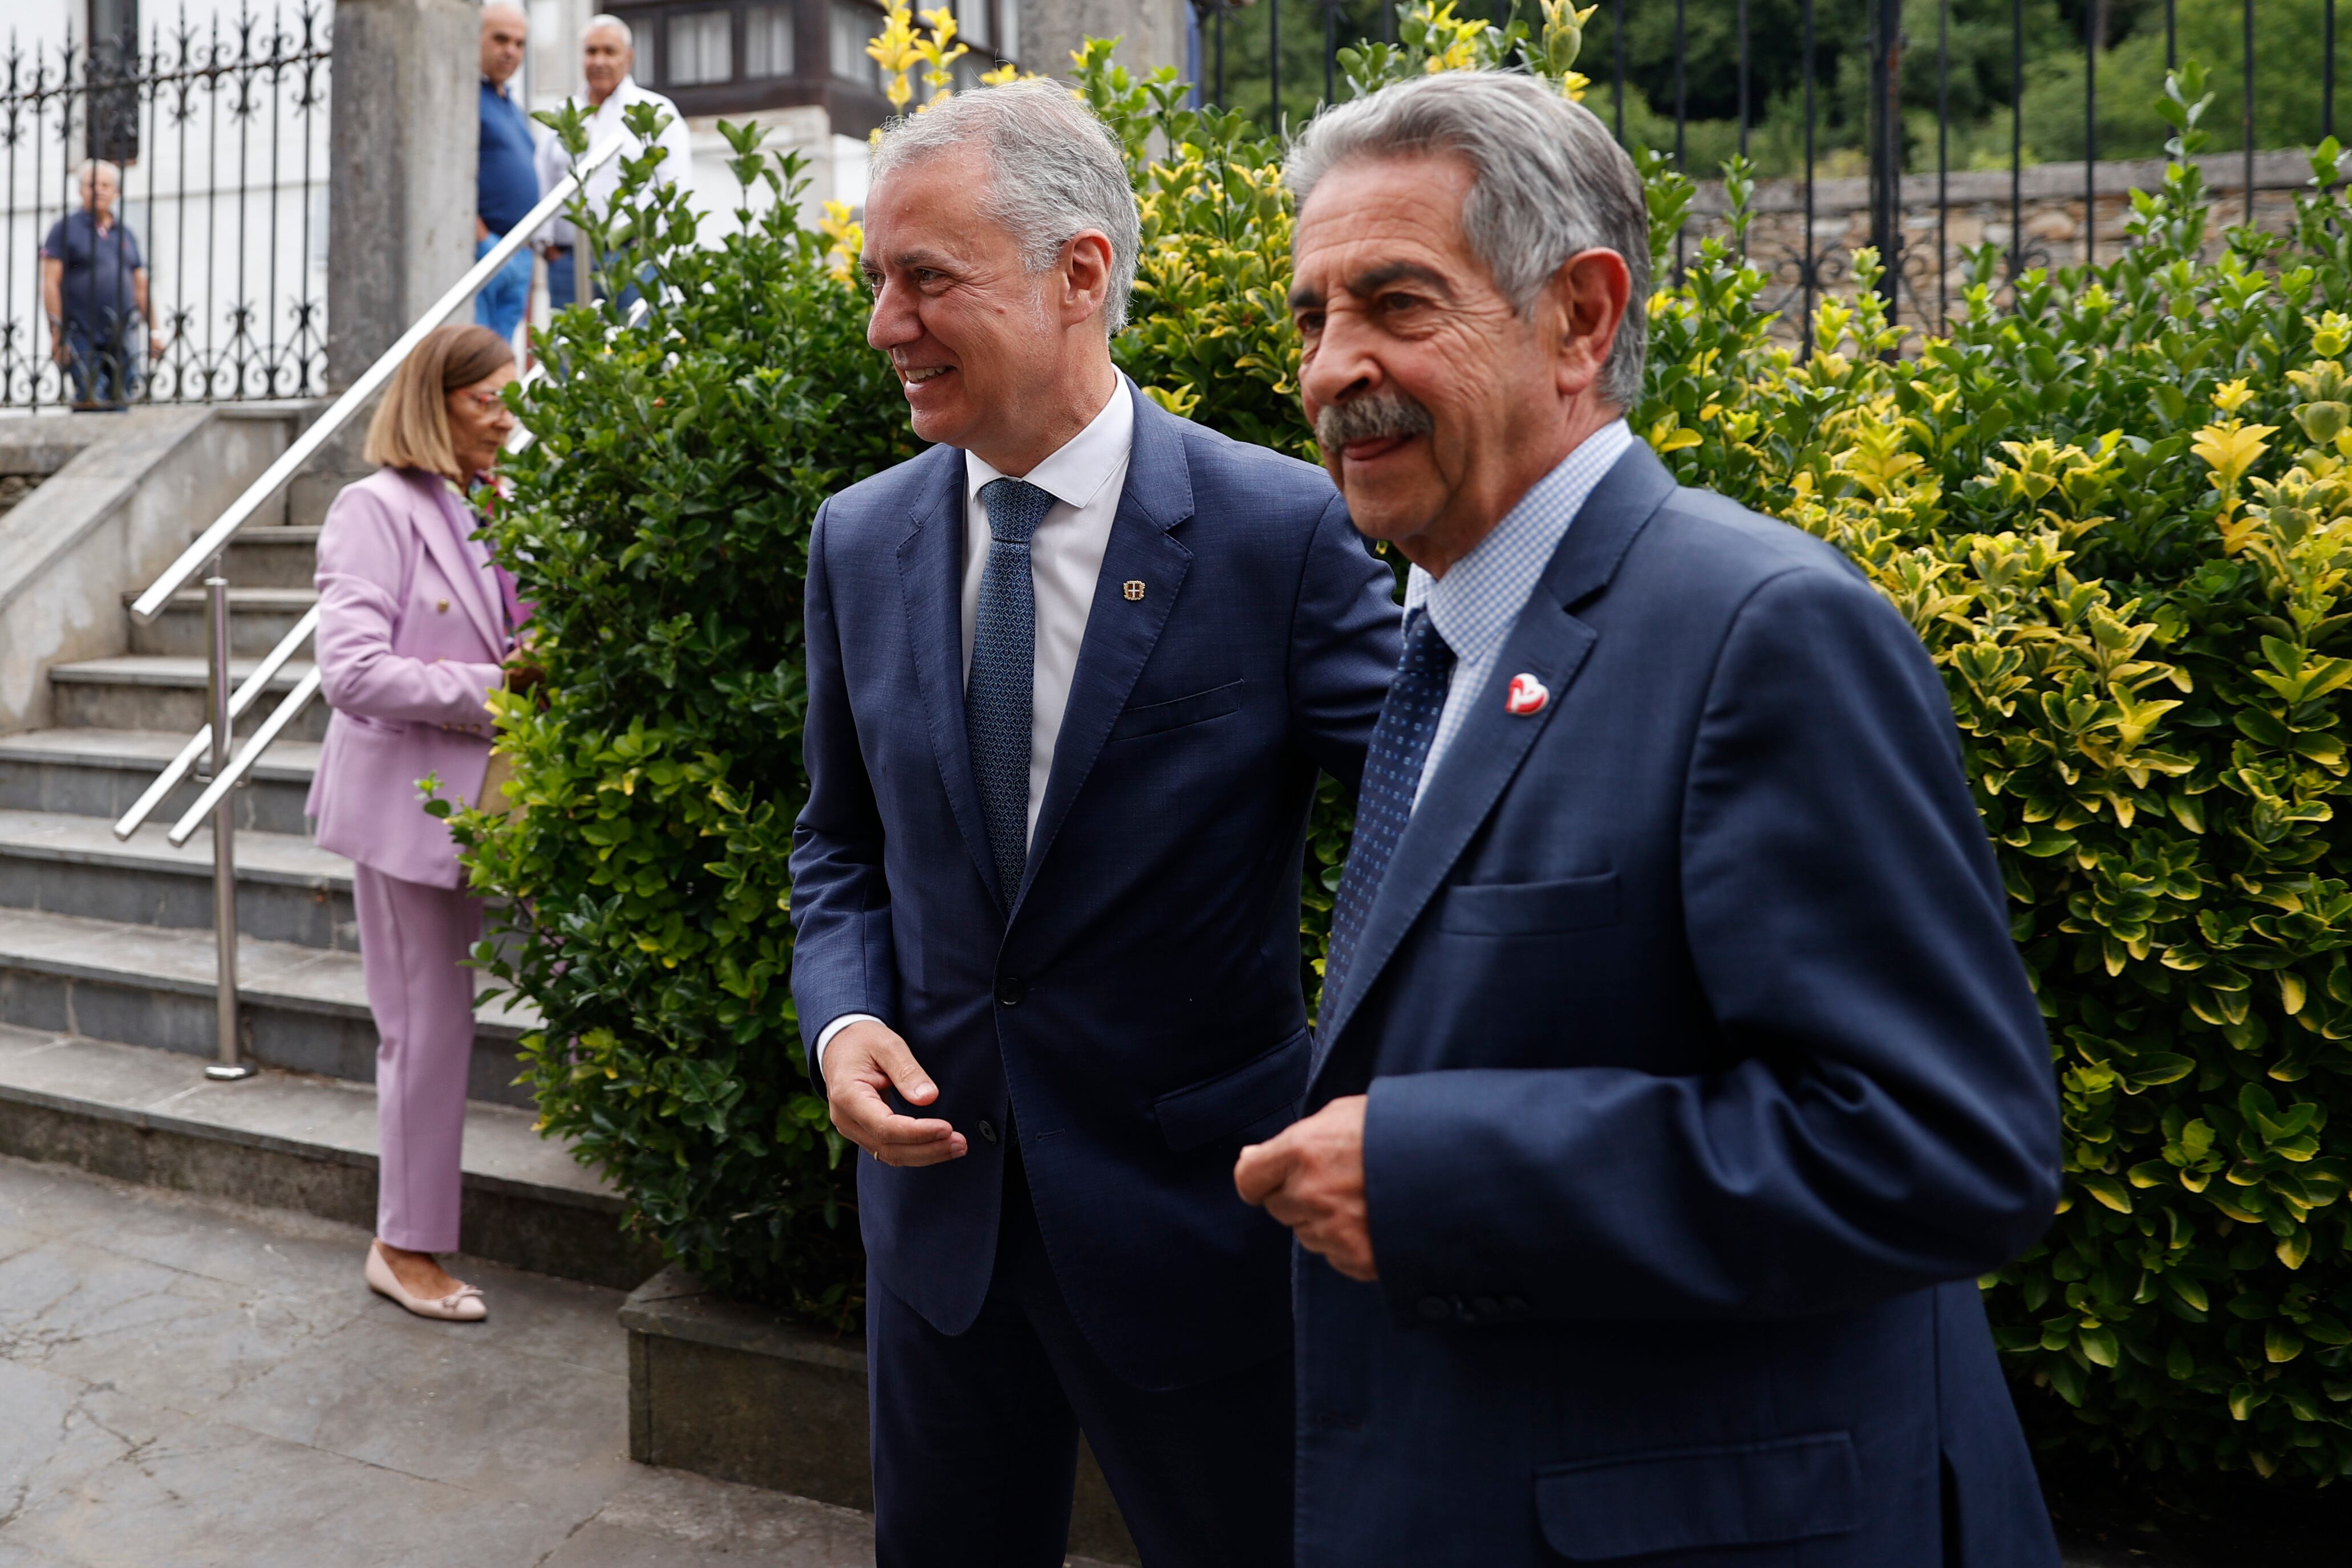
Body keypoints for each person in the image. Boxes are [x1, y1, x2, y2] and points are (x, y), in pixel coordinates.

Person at [1232, 71, 2065, 1568]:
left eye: (1395, 304)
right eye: (1309, 316)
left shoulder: (1763, 630)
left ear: (1580, 318)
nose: (1331, 367)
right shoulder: (1444, 643)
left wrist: (1436, 1176)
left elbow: (1947, 1145)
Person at [789, 79, 1396, 1568]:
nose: (884, 323)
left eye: (925, 278)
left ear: (1079, 274)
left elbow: (1432, 831)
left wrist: (1375, 1092)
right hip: (938, 1230)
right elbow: (837, 848)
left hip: (1195, 1228)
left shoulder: (1279, 531)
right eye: (877, 278)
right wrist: (843, 1013)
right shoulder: (858, 539)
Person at [310, 324, 530, 1325]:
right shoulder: (374, 508)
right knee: (428, 1032)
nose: (506, 418)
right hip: (406, 814)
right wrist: (496, 687)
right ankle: (402, 1248)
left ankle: (411, 1235)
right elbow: (349, 671)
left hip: (482, 809)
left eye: (510, 398)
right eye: (487, 400)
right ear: (433, 404)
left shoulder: (492, 503)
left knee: (444, 1027)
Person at [534, 14, 692, 311]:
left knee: (636, 348)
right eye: (592, 51)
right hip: (569, 261)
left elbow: (674, 183)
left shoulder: (655, 110)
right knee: (569, 350)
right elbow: (544, 180)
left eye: (610, 51)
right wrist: (548, 246)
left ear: (629, 57)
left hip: (633, 258)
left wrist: (654, 244)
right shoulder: (563, 113)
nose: (600, 61)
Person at [40, 160, 161, 410]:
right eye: (92, 184)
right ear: (80, 190)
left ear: (116, 192)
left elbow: (141, 285)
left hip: (123, 334)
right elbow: (50, 283)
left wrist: (155, 332)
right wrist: (56, 334)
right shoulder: (65, 229)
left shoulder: (124, 232)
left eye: (106, 185)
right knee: (91, 400)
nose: (99, 190)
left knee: (123, 402)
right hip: (81, 333)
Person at [475, 2, 540, 345]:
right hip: (486, 248)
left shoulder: (510, 106)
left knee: (499, 357)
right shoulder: (466, 98)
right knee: (476, 359)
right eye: (501, 39)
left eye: (519, 43)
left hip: (519, 253)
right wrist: (482, 238)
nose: (510, 51)